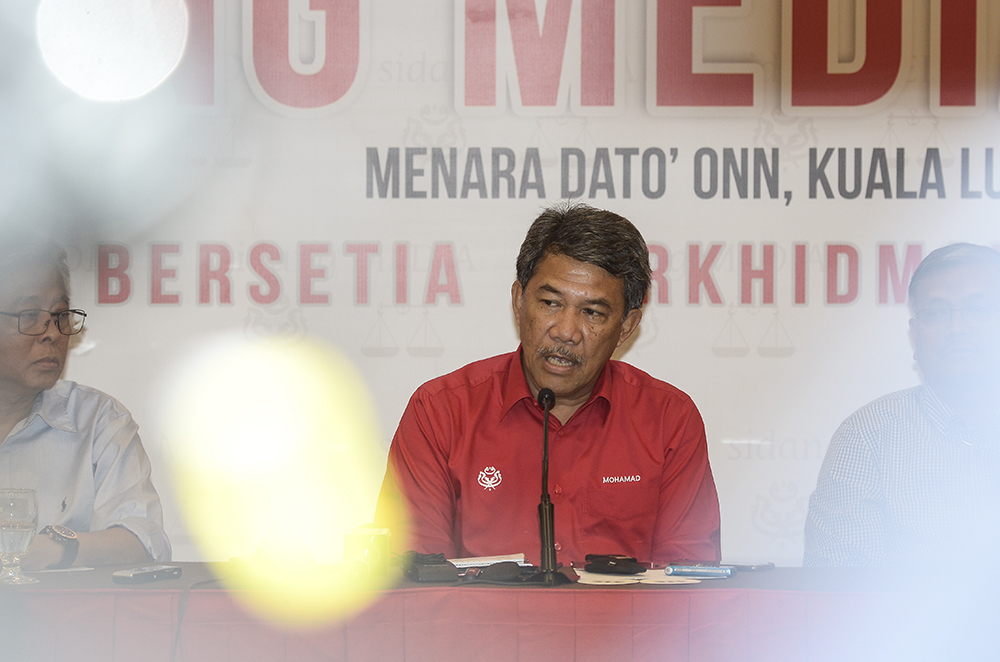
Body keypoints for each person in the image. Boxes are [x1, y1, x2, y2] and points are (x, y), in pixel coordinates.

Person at [375, 203, 721, 565]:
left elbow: (689, 584)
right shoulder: (441, 412)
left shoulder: (669, 421)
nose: (565, 332)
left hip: (620, 624)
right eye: (551, 302)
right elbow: (413, 578)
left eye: (592, 313)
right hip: (484, 623)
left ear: (627, 327)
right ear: (519, 301)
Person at [804, 243, 1000, 566]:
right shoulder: (867, 438)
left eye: (978, 310)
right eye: (937, 313)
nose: (958, 329)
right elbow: (837, 597)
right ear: (915, 334)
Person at [0, 237, 170, 570]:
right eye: (30, 314)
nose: (53, 333)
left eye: (61, 315)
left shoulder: (98, 422)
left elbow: (144, 539)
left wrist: (54, 547)